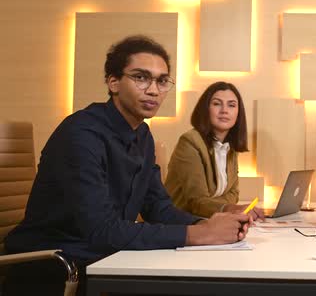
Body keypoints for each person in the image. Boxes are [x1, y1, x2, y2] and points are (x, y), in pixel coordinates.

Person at [3, 35, 251, 295]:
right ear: (113, 82)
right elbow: (102, 230)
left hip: (102, 259)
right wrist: (198, 235)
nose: (154, 90)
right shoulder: (80, 134)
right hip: (53, 267)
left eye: (162, 80)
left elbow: (159, 208)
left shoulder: (143, 136)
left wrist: (206, 225)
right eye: (141, 77)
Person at [165, 82, 264, 220]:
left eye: (231, 105)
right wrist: (230, 208)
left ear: (238, 113)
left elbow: (233, 194)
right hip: (182, 223)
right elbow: (197, 202)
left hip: (210, 219)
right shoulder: (190, 142)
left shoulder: (229, 147)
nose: (224, 110)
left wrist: (217, 206)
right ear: (205, 109)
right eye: (217, 104)